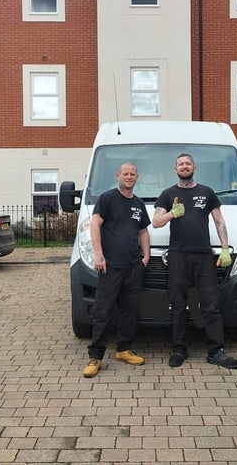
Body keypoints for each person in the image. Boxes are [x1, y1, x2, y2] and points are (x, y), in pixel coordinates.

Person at [152, 153, 237, 369]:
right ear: (175, 169)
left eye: (188, 163)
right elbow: (156, 222)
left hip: (203, 255)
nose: (184, 166)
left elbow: (219, 221)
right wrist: (172, 214)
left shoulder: (207, 192)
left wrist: (226, 249)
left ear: (194, 167)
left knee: (210, 304)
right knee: (178, 305)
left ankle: (216, 351)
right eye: (180, 164)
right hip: (178, 256)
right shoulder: (168, 194)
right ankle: (179, 350)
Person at [83, 162, 151, 378]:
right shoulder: (107, 198)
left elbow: (143, 232)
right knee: (103, 312)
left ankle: (123, 349)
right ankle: (96, 357)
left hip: (133, 266)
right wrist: (99, 254)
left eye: (132, 174)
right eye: (125, 174)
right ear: (118, 176)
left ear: (137, 177)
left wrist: (146, 256)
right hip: (110, 266)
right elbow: (95, 225)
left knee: (130, 311)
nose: (129, 177)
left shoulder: (139, 204)